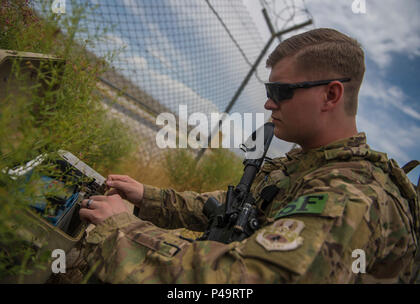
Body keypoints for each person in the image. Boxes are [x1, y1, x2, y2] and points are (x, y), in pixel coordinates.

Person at [75, 28, 419, 283]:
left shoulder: (351, 196)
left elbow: (243, 280)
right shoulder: (302, 164)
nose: (269, 103)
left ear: (330, 95)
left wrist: (122, 228)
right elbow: (223, 209)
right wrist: (147, 196)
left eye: (280, 91)